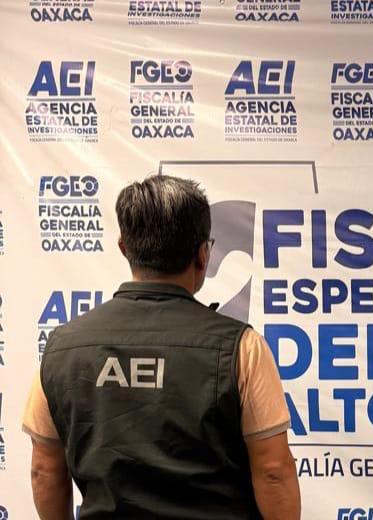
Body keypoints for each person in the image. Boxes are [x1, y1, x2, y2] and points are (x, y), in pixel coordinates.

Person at [22, 175, 301, 519]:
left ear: (124, 248)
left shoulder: (61, 348)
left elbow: (44, 470)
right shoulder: (242, 347)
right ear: (203, 254)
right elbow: (273, 471)